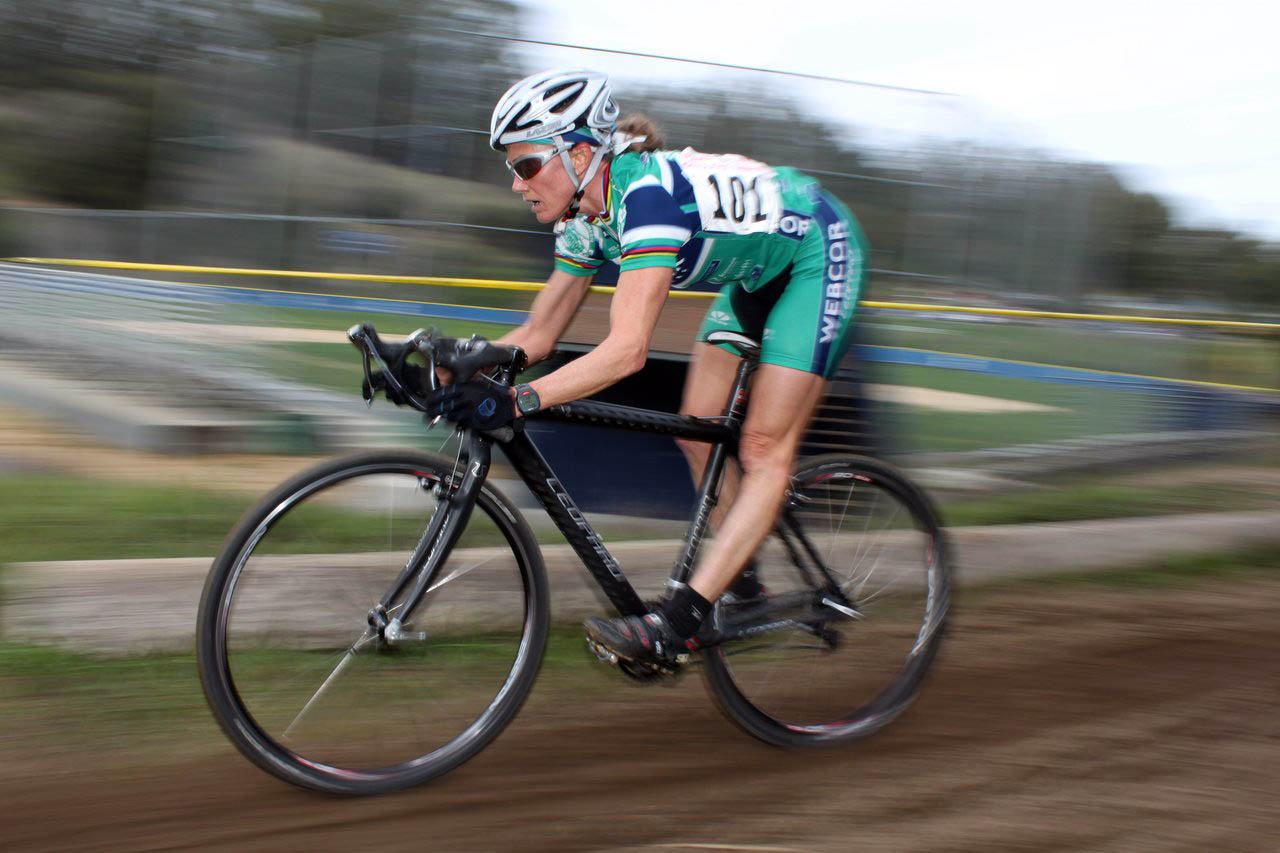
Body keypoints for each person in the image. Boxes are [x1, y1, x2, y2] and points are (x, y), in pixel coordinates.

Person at [431, 69, 869, 672]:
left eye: (526, 165)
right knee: (695, 428)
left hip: (817, 250)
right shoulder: (584, 217)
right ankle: (742, 586)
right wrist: (455, 362)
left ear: (580, 152)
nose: (516, 184)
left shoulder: (647, 198)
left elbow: (625, 351)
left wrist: (517, 401)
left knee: (766, 447)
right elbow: (538, 335)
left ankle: (681, 621)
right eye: (513, 168)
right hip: (755, 276)